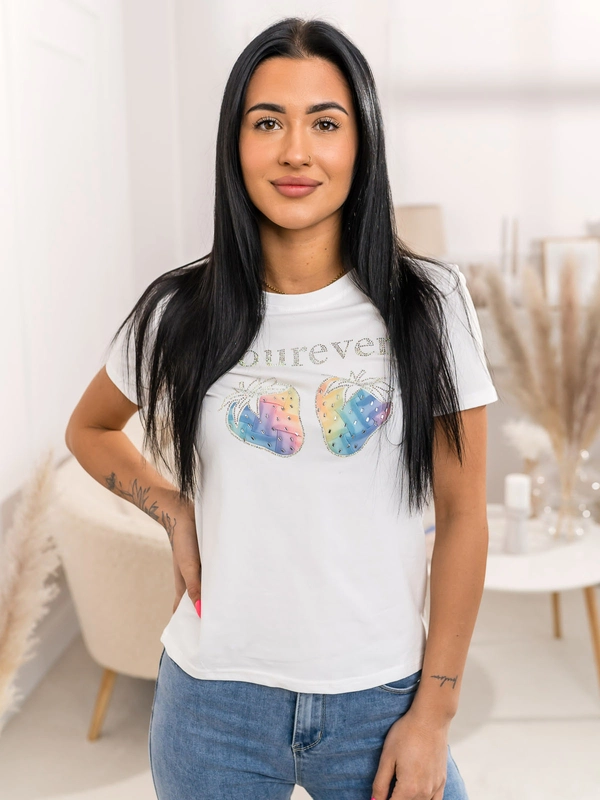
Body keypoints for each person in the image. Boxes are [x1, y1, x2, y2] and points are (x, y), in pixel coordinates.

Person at [65, 16, 498, 800]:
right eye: (268, 122)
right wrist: (172, 509)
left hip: (382, 699)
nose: (296, 151)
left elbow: (465, 513)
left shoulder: (430, 305)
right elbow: (89, 428)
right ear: (236, 145)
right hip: (213, 703)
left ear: (361, 144)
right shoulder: (177, 310)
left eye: (325, 124)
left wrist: (434, 713)